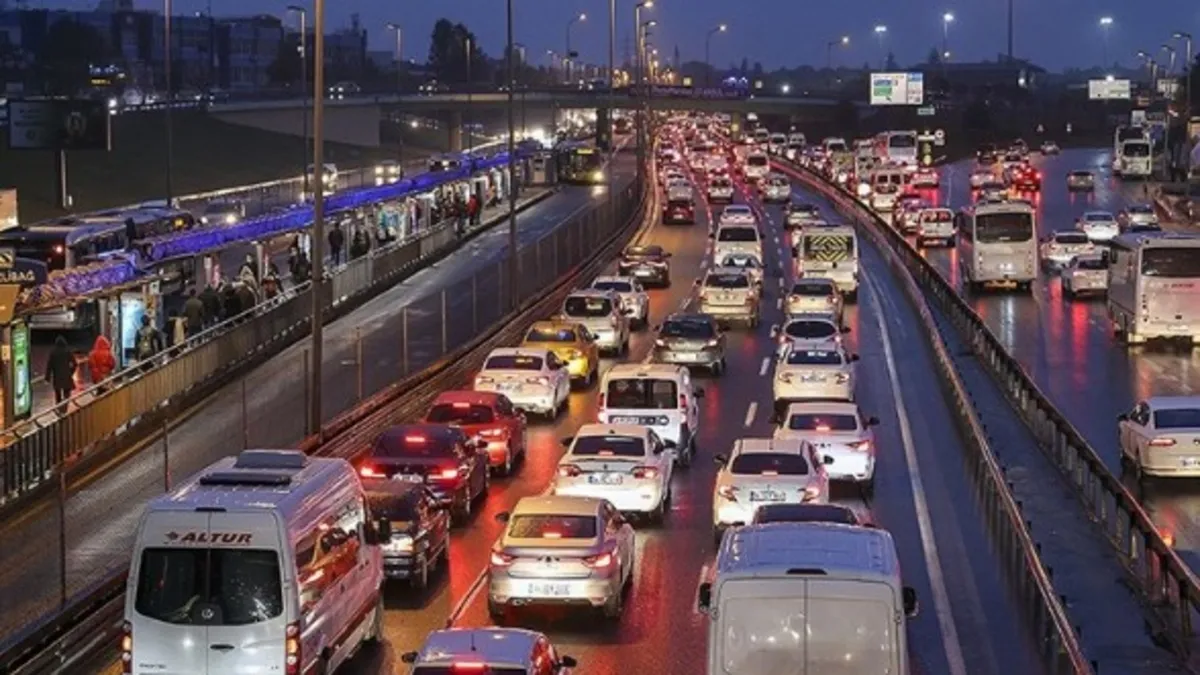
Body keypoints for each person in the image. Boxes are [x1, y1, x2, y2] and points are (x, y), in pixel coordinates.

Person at [45, 336, 76, 404]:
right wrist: (71, 372)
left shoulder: (53, 352)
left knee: (58, 394)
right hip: (67, 376)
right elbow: (75, 364)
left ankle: (59, 406)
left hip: (57, 377)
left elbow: (49, 366)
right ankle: (65, 407)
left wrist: (47, 378)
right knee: (67, 393)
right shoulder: (68, 351)